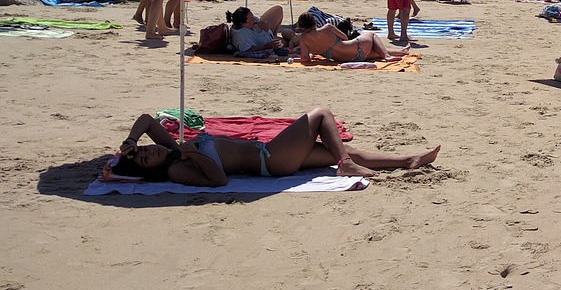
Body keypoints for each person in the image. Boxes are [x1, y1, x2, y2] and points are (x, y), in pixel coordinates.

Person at [111, 108, 440, 185]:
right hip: (270, 161)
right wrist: (192, 151)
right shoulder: (177, 167)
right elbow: (217, 179)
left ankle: (407, 160)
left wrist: (130, 140)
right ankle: (346, 167)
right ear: (152, 172)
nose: (148, 152)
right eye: (144, 160)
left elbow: (146, 120)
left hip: (271, 152)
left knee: (340, 147)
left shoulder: (170, 148)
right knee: (321, 116)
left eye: (143, 150)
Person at [293, 13, 405, 63]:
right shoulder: (327, 28)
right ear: (314, 22)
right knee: (371, 35)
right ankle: (386, 56)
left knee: (374, 51)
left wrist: (293, 59)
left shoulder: (303, 39)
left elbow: (305, 59)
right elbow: (345, 37)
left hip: (347, 58)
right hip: (358, 50)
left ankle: (400, 52)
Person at [225, 6, 293, 57]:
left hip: (270, 35)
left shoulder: (252, 22)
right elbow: (248, 50)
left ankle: (290, 40)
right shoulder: (241, 35)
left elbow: (267, 28)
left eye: (253, 17)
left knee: (278, 9)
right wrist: (266, 46)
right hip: (269, 42)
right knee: (287, 39)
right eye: (251, 20)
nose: (254, 20)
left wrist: (265, 25)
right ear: (242, 23)